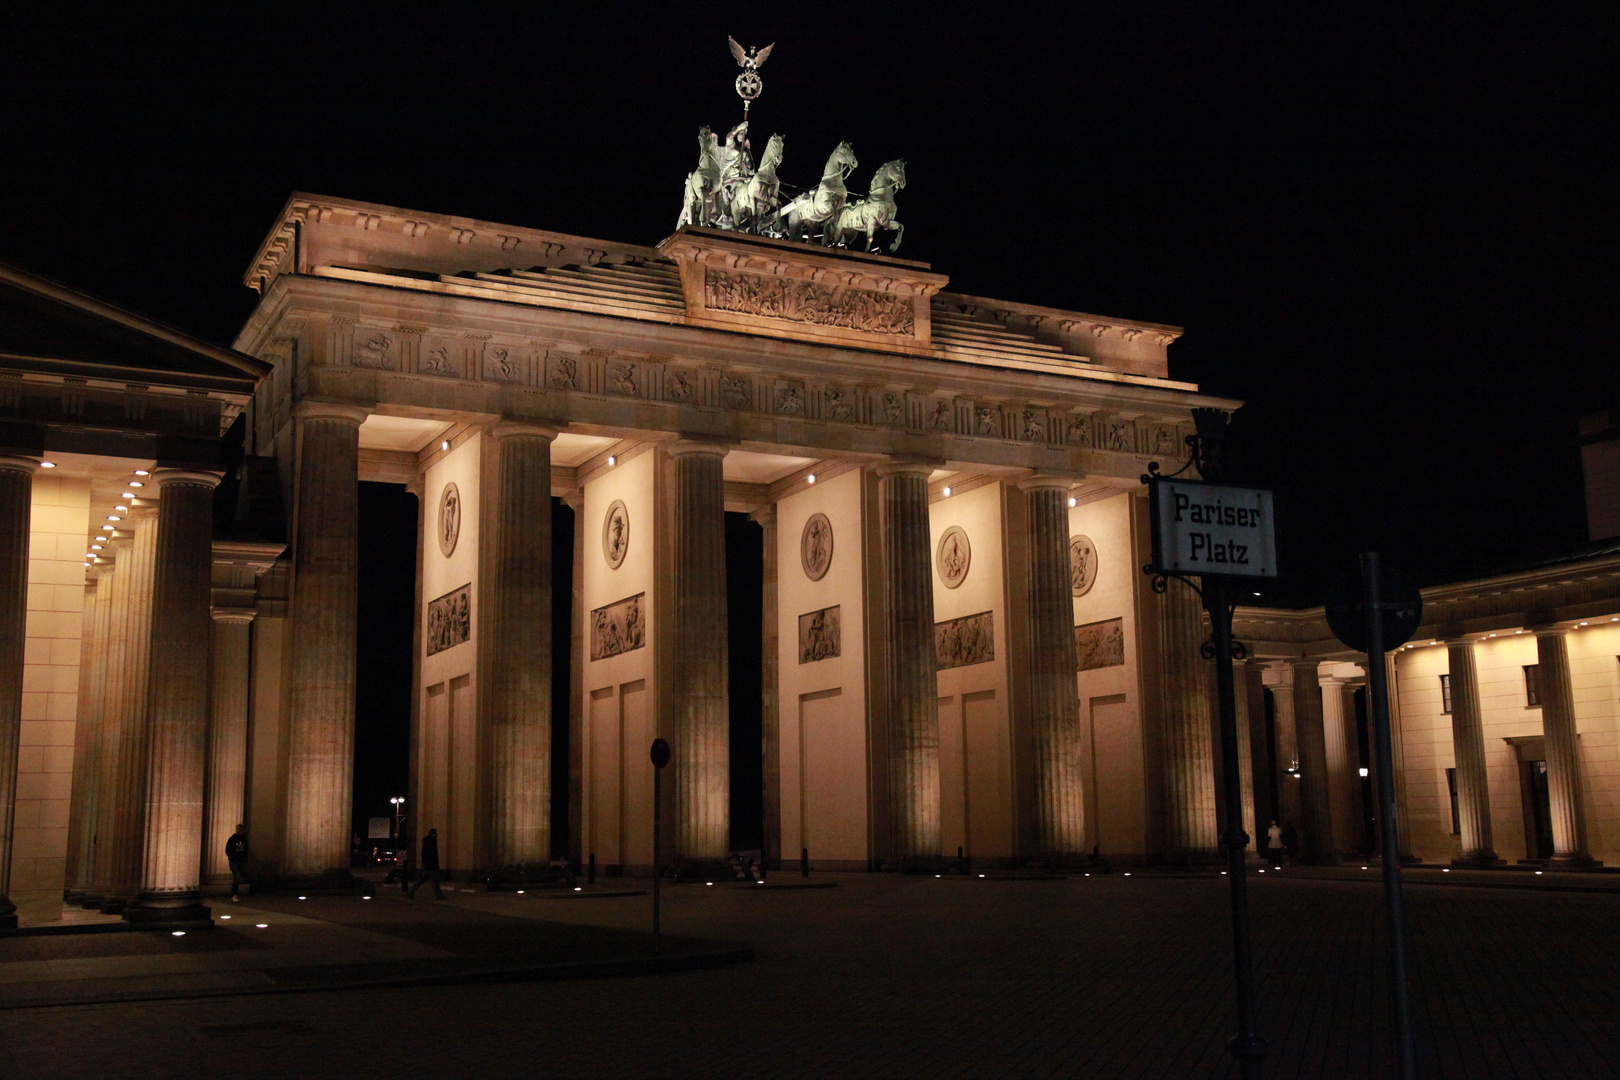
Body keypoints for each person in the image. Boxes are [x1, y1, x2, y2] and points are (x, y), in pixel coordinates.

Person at [407, 827, 445, 900]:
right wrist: (433, 864)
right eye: (435, 833)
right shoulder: (431, 842)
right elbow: (431, 855)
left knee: (424, 879)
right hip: (431, 865)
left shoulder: (429, 841)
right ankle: (438, 895)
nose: (437, 835)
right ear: (432, 834)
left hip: (429, 864)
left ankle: (411, 891)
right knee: (435, 880)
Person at [226, 824, 248, 902]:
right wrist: (232, 857)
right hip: (234, 860)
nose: (239, 831)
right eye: (238, 829)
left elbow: (246, 850)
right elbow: (228, 850)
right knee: (237, 875)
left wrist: (245, 860)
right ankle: (233, 894)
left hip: (240, 860)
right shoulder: (232, 839)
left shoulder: (244, 839)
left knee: (238, 877)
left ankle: (234, 893)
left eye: (240, 829)